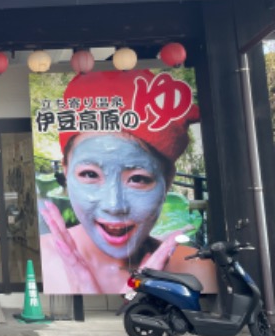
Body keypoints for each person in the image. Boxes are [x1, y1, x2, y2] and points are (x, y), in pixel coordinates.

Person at [38, 69, 217, 294]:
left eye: (138, 179)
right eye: (90, 175)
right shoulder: (39, 259)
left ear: (167, 180)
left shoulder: (196, 270)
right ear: (66, 171)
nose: (114, 206)